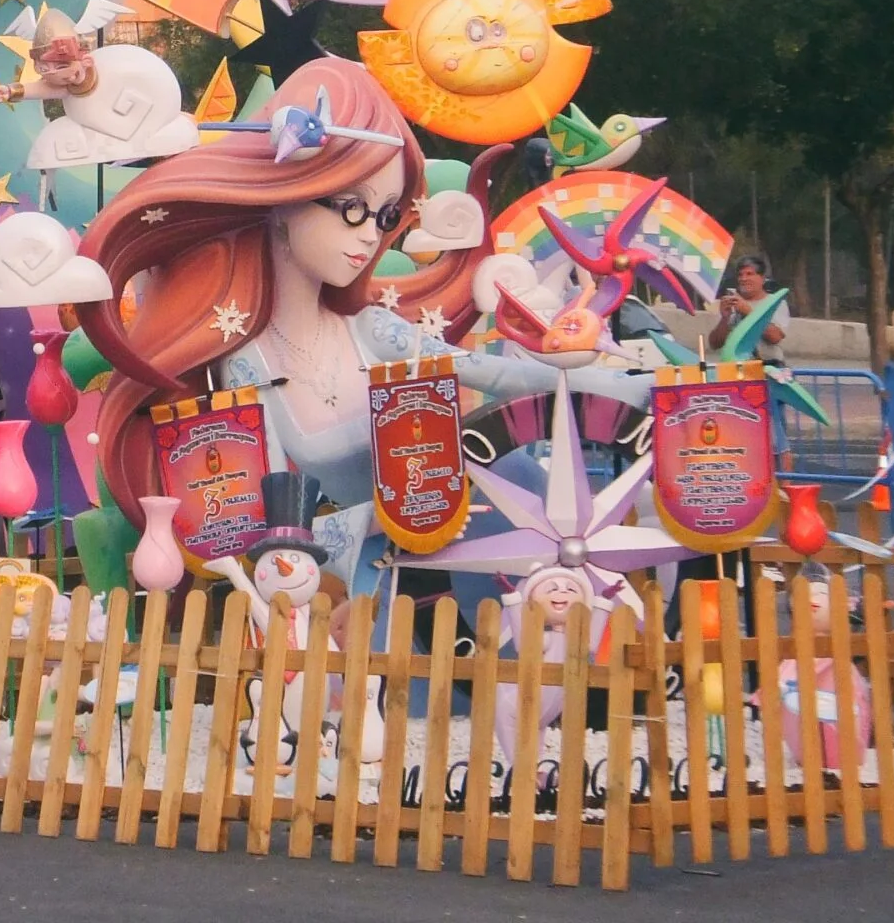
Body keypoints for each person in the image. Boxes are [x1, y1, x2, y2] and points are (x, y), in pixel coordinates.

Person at [74, 58, 643, 600]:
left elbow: (494, 376)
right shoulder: (248, 364)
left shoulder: (371, 330)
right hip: (378, 576)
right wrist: (390, 510)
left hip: (507, 539)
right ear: (282, 202)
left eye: (386, 215)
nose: (372, 235)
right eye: (352, 207)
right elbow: (271, 527)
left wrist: (624, 382)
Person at [713, 253, 787, 361]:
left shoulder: (775, 302)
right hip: (736, 368)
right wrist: (725, 318)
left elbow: (775, 337)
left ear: (762, 279)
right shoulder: (732, 302)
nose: (744, 279)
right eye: (740, 275)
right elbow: (715, 344)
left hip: (768, 366)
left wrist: (748, 312)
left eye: (749, 274)